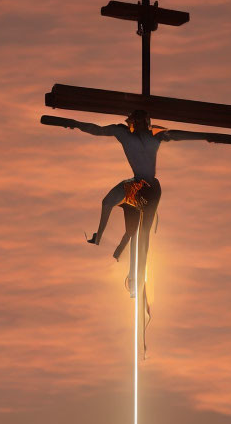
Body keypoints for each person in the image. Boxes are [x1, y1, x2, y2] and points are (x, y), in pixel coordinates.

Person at [45, 108, 218, 294]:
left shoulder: (154, 137)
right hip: (136, 184)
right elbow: (97, 129)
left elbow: (177, 135)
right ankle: (98, 238)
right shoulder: (123, 133)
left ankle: (139, 279)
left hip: (150, 189)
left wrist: (205, 135)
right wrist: (75, 124)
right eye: (139, 123)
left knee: (143, 235)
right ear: (134, 123)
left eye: (145, 123)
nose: (143, 126)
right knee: (107, 202)